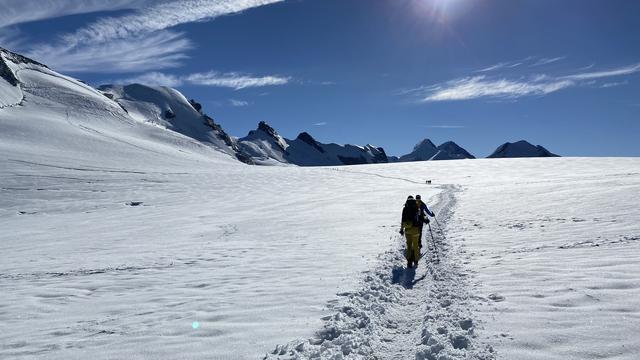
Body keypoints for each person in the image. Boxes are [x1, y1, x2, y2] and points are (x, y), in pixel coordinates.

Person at [399, 196, 421, 268]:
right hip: (415, 230)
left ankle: (409, 261)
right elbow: (420, 218)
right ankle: (416, 260)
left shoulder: (405, 208)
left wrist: (402, 229)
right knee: (415, 245)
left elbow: (402, 220)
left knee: (409, 245)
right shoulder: (417, 208)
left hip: (408, 230)